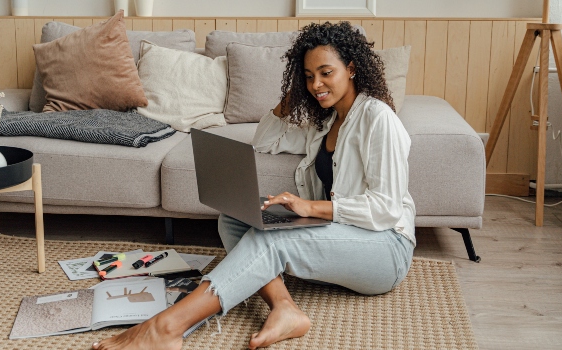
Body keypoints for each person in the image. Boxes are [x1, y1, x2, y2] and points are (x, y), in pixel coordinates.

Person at [92, 21, 416, 350]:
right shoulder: (327, 120)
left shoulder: (378, 118)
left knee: (271, 244)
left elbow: (386, 209)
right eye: (307, 75)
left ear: (351, 69)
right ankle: (284, 308)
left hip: (386, 248)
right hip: (344, 232)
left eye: (325, 73)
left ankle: (167, 328)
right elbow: (264, 140)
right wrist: (290, 101)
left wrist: (311, 208)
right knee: (237, 218)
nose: (316, 83)